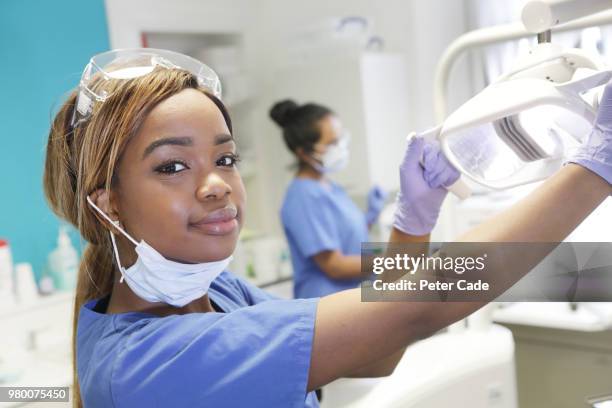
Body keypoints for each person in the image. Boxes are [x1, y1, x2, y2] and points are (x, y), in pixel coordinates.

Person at [43, 48, 611, 408]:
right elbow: (422, 304)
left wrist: (414, 222)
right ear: (108, 203)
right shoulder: (148, 366)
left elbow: (380, 352)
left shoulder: (215, 294)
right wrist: (594, 169)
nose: (216, 183)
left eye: (226, 159)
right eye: (172, 166)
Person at [270, 100, 442, 298]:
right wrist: (395, 258)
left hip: (354, 296)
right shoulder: (302, 197)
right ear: (303, 152)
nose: (340, 147)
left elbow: (347, 240)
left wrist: (370, 216)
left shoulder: (330, 186)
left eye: (340, 138)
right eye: (332, 143)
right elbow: (335, 266)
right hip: (326, 305)